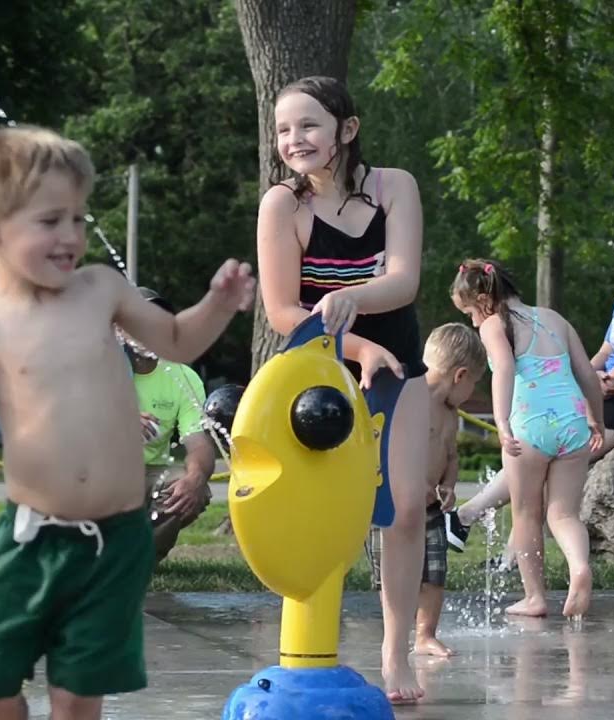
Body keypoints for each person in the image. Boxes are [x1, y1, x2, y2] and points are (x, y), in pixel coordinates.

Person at [0, 124, 255, 720]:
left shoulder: (102, 290)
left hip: (116, 541)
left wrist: (219, 304)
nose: (71, 236)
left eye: (77, 218)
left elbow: (178, 340)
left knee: (78, 697)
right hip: (29, 537)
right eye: (50, 221)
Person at [256, 75, 429, 703]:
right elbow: (281, 311)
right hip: (319, 368)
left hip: (400, 364)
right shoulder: (283, 204)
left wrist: (349, 299)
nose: (293, 140)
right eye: (283, 129)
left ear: (346, 131)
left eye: (308, 126)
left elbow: (405, 281)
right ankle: (306, 639)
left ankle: (395, 650)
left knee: (405, 507)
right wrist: (354, 344)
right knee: (325, 507)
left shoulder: (395, 188)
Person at [447, 222, 614, 552]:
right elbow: (604, 355)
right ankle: (501, 551)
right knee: (541, 453)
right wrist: (577, 379)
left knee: (543, 454)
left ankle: (469, 517)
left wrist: (585, 387)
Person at [452, 259, 604, 618]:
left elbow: (503, 370)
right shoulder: (554, 319)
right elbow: (587, 374)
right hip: (572, 423)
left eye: (470, 312)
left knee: (526, 514)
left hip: (529, 427)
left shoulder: (493, 324)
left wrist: (502, 423)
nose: (473, 322)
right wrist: (595, 419)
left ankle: (535, 598)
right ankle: (579, 567)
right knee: (564, 514)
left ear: (484, 300)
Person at [126, 287, 217, 565]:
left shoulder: (182, 376)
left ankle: (135, 566)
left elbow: (199, 442)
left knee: (189, 485)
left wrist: (196, 477)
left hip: (147, 476)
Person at [414, 323, 487, 657]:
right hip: (398, 504)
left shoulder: (449, 411)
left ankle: (425, 635)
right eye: (474, 383)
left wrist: (449, 484)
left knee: (434, 573)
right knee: (396, 577)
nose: (471, 392)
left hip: (431, 508)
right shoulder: (408, 398)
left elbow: (451, 454)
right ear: (460, 376)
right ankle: (398, 631)